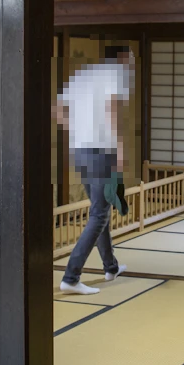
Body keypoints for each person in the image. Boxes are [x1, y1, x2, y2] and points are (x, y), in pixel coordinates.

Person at [53, 46, 134, 294]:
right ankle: (71, 277)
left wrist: (77, 128)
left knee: (101, 210)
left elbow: (56, 111)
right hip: (101, 151)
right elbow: (112, 112)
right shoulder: (115, 75)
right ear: (119, 59)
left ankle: (110, 267)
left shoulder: (82, 76)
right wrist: (120, 150)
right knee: (99, 214)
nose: (131, 64)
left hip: (80, 151)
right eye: (129, 59)